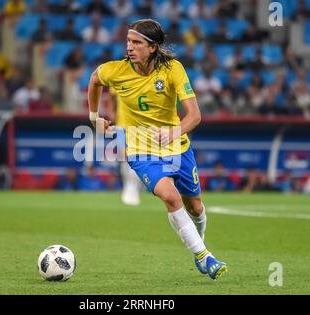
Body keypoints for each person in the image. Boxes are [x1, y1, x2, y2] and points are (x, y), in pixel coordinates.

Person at [87, 19, 227, 280]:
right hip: (140, 149)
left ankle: (198, 240)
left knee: (195, 207)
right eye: (128, 41)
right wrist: (94, 117)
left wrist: (173, 132)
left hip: (177, 146)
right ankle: (204, 256)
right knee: (170, 197)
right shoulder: (115, 70)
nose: (130, 47)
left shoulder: (173, 69)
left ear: (152, 47)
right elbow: (95, 79)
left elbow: (194, 116)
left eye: (137, 42)